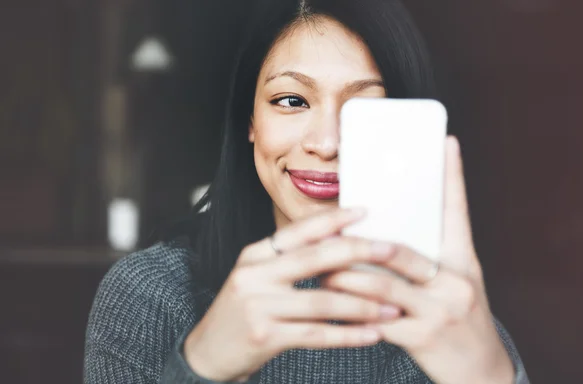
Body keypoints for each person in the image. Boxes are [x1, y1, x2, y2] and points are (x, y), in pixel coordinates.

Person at [84, 0, 530, 383]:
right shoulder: (151, 296)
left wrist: (492, 376)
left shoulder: (448, 315)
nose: (327, 143)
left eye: (365, 109)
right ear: (250, 123)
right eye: (292, 101)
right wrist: (202, 366)